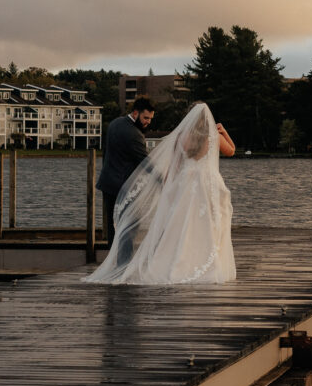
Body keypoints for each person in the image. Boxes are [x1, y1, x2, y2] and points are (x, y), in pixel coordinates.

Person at [89, 102, 236, 285]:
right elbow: (231, 151)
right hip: (208, 186)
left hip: (186, 184)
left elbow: (174, 167)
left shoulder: (181, 137)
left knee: (182, 225)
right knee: (208, 225)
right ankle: (205, 262)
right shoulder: (213, 136)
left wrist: (169, 187)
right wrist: (223, 132)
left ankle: (173, 261)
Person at [96, 96, 155, 248]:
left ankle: (113, 262)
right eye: (145, 118)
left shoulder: (115, 123)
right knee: (129, 228)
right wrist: (165, 179)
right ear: (135, 113)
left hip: (108, 183)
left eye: (150, 118)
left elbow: (107, 152)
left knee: (112, 227)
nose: (148, 122)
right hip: (123, 187)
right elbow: (146, 163)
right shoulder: (134, 134)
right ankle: (123, 265)